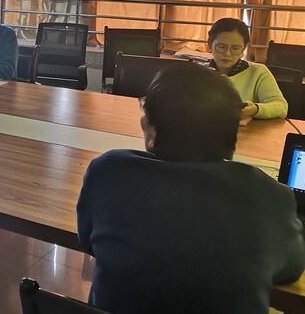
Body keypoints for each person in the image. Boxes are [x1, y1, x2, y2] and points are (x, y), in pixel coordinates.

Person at [76, 64, 305, 314]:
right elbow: (291, 268)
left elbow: (88, 242)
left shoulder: (107, 171)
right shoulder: (269, 195)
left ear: (150, 128)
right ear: (232, 134)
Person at [207, 17, 288, 119]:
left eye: (235, 48)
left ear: (243, 49)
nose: (227, 53)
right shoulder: (199, 72)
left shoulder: (258, 72)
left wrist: (256, 109)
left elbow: (281, 107)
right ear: (210, 44)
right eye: (221, 47)